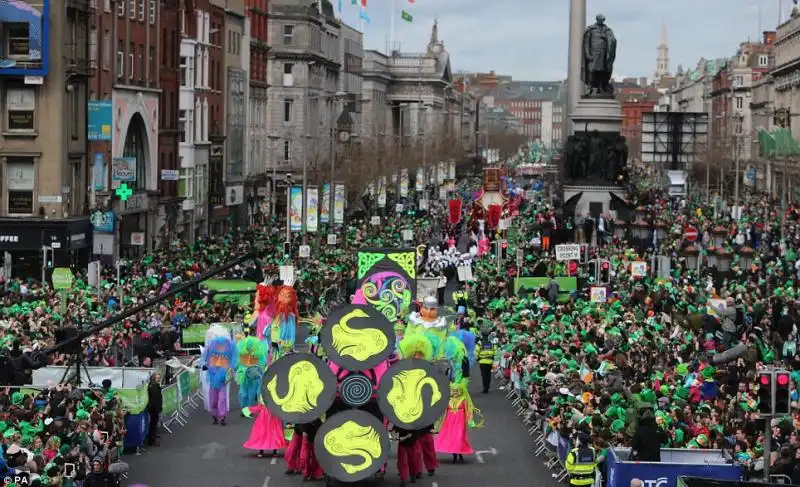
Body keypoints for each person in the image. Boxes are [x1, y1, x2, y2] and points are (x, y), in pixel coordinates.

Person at [477, 329, 496, 394]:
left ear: (482, 335)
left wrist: (477, 359)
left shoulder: (480, 343)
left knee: (484, 375)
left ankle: (485, 389)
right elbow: (495, 351)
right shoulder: (491, 343)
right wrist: (494, 360)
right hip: (490, 361)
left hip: (482, 362)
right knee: (488, 375)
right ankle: (487, 387)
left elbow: (476, 352)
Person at [146, 373, 162, 446]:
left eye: (159, 377)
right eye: (158, 378)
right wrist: (157, 409)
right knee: (153, 424)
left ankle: (152, 438)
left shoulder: (152, 385)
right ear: (154, 378)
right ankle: (152, 440)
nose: (159, 379)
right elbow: (155, 399)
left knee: (153, 424)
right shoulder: (154, 387)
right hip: (154, 409)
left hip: (153, 408)